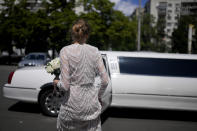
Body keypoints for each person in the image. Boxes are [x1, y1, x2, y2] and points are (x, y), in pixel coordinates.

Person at [53, 19, 110, 131]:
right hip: (91, 106)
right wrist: (98, 96)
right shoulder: (95, 51)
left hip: (71, 106)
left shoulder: (65, 51)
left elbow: (65, 86)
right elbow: (105, 80)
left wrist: (56, 82)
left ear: (72, 34)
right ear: (87, 34)